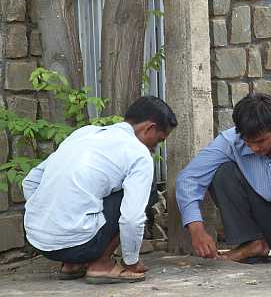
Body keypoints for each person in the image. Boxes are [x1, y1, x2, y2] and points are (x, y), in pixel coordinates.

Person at [23, 96, 177, 284]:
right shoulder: (139, 154)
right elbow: (131, 218)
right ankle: (101, 265)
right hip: (81, 245)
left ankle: (71, 264)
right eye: (159, 140)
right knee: (146, 191)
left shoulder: (83, 133)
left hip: (39, 242)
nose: (156, 147)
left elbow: (30, 181)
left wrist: (46, 219)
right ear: (149, 128)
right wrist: (131, 262)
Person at [176, 93, 271, 263]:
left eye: (261, 140)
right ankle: (252, 244)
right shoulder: (230, 141)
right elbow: (188, 178)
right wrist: (196, 230)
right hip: (263, 225)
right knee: (222, 172)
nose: (255, 148)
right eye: (249, 142)